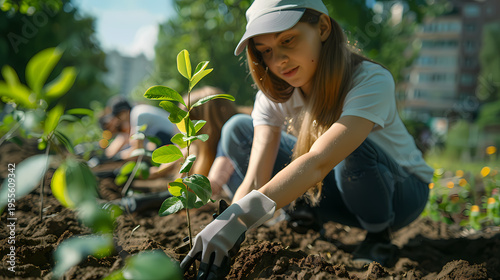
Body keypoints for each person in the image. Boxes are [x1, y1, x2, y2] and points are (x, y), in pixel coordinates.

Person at [180, 0, 434, 278]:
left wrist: (239, 219)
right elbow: (255, 179)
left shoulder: (370, 80)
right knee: (238, 128)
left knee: (351, 147)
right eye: (266, 51)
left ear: (323, 27)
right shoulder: (274, 97)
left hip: (401, 193)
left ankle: (378, 237)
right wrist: (230, 222)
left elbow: (320, 160)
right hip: (338, 189)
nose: (279, 61)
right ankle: (305, 214)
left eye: (287, 40)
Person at [104, 86, 241, 213]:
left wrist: (137, 202)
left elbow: (205, 188)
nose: (181, 127)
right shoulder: (197, 146)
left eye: (186, 121)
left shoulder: (235, 137)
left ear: (204, 122)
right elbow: (159, 171)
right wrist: (120, 173)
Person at [99, 96, 177, 160]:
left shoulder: (138, 115)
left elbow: (137, 147)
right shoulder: (137, 111)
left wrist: (120, 157)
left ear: (123, 112)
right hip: (169, 136)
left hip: (172, 138)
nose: (120, 120)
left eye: (119, 117)